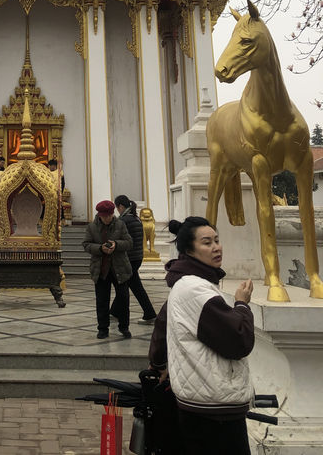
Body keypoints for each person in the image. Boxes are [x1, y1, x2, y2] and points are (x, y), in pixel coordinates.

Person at [148, 216, 255, 455]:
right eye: (207, 243)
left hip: (201, 400)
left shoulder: (186, 284)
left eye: (217, 240)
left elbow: (162, 324)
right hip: (214, 406)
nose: (216, 247)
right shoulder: (196, 289)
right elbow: (239, 340)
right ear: (189, 250)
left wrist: (159, 363)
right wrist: (242, 304)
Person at [82, 200, 133, 339]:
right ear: (99, 215)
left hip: (120, 268)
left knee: (123, 299)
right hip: (101, 269)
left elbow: (129, 243)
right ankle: (103, 329)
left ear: (113, 213)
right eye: (104, 216)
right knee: (102, 300)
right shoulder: (92, 227)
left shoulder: (120, 225)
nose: (106, 219)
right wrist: (100, 248)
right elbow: (86, 244)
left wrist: (116, 245)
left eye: (109, 216)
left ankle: (124, 327)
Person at [111, 195, 157, 326]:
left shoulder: (124, 220)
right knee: (132, 285)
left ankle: (149, 314)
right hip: (137, 257)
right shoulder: (136, 218)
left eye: (117, 208)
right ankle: (114, 312)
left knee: (130, 286)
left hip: (129, 258)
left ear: (120, 206)